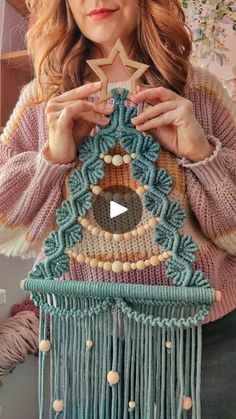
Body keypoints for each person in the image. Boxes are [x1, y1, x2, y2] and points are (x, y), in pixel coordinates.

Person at [0, 0, 236, 417]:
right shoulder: (42, 102)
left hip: (203, 335)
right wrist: (51, 159)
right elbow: (5, 225)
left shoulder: (200, 92)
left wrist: (202, 154)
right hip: (85, 336)